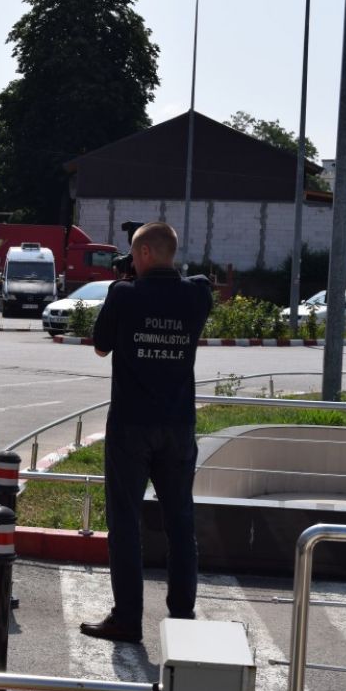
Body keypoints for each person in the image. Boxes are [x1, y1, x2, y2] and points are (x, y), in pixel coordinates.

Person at [79, 222, 213, 643]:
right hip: (178, 427)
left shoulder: (124, 294)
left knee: (125, 522)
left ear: (146, 254)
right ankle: (182, 615)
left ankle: (127, 619)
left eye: (136, 255)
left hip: (131, 427)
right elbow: (196, 281)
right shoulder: (197, 294)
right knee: (180, 520)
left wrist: (125, 285)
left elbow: (101, 346)